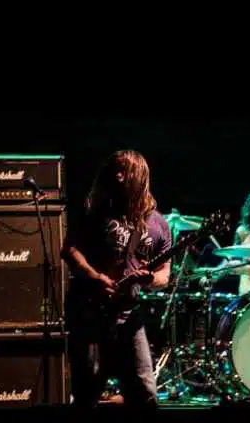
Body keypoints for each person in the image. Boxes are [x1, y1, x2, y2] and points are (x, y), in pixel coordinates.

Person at [61, 150, 173, 409]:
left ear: (139, 175)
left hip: (129, 317)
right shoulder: (94, 213)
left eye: (125, 171)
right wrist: (95, 277)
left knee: (145, 395)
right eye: (115, 171)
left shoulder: (158, 224)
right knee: (86, 394)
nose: (119, 176)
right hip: (90, 314)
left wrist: (149, 279)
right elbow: (69, 249)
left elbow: (164, 276)